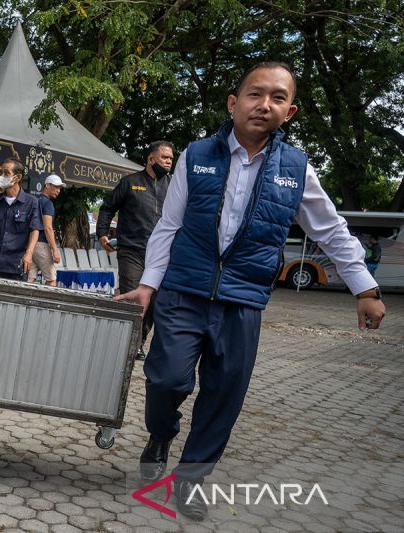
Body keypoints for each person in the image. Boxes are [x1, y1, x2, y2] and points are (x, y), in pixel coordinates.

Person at [115, 62, 386, 521]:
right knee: (166, 380)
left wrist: (365, 287)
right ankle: (161, 434)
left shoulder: (296, 168)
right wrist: (147, 286)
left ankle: (191, 479)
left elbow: (331, 229)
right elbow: (169, 226)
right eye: (255, 94)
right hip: (183, 291)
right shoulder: (196, 154)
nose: (265, 104)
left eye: (277, 98)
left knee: (223, 395)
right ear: (233, 103)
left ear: (290, 111)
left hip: (243, 301)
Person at [97, 141, 174, 359]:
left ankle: (139, 341)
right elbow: (107, 207)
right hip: (131, 250)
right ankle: (128, 343)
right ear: (151, 159)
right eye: (165, 157)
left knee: (152, 301)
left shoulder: (174, 185)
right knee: (133, 296)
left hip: (160, 254)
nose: (169, 162)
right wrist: (102, 233)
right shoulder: (130, 182)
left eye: (171, 158)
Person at [0, 158, 43, 280]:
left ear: (17, 178)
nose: (2, 176)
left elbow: (35, 230)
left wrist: (28, 255)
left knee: (13, 298)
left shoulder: (32, 202)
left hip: (16, 264)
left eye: (6, 173)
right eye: (1, 172)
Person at [28, 174, 66, 286]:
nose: (58, 190)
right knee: (51, 280)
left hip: (30, 244)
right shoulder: (48, 204)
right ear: (47, 185)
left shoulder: (34, 200)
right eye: (56, 186)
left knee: (30, 279)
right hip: (42, 244)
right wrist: (55, 250)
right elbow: (48, 228)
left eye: (60, 188)